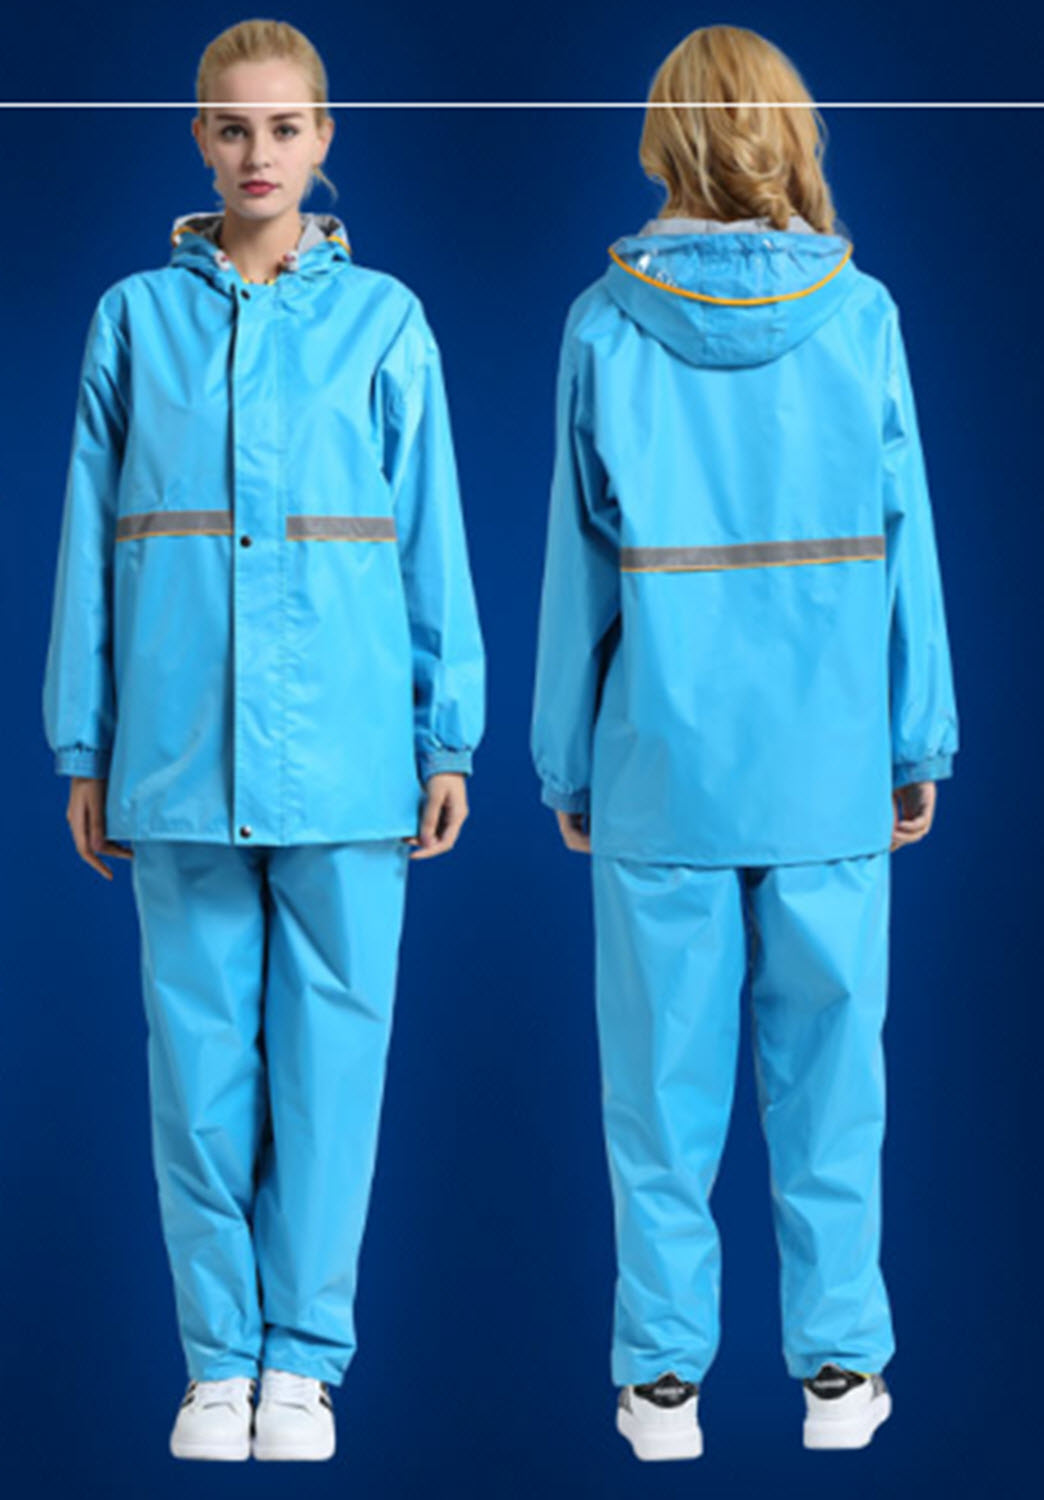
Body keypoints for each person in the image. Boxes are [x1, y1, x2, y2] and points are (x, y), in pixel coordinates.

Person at [41, 18, 485, 1463]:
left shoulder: (388, 322)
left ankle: (302, 1365)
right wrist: (82, 743)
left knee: (332, 1078)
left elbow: (431, 541)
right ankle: (215, 1363)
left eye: (284, 127)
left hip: (351, 760)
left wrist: (447, 736)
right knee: (198, 1081)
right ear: (198, 137)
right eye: (232, 127)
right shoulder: (132, 321)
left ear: (323, 137)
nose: (258, 153)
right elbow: (88, 546)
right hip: (175, 756)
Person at [530, 23, 957, 1459]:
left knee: (658, 1097)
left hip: (658, 770)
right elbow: (908, 550)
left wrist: (564, 762)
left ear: (667, 138)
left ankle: (662, 1390)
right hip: (830, 765)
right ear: (787, 133)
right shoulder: (863, 316)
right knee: (835, 1083)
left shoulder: (603, 324)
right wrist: (917, 741)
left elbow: (576, 572)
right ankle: (840, 1377)